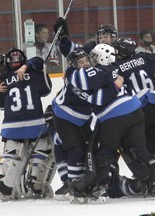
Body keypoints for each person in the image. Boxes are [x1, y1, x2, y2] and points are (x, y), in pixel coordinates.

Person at [71, 44, 155, 203]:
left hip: (115, 116)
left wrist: (80, 88)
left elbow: (98, 98)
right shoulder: (114, 70)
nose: (90, 61)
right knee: (139, 150)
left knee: (106, 152)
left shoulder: (95, 72)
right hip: (135, 110)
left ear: (102, 58)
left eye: (94, 57)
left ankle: (97, 186)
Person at [51, 47, 123, 203]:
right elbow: (99, 97)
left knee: (87, 150)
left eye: (86, 61)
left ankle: (78, 182)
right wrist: (116, 81)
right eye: (80, 62)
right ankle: (73, 186)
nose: (84, 64)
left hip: (82, 118)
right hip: (64, 117)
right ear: (73, 65)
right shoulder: (77, 75)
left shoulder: (86, 72)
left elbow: (100, 79)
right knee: (75, 150)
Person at [0, 48, 54, 201]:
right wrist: (29, 68)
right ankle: (36, 183)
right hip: (35, 124)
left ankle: (2, 183)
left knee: (10, 154)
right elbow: (47, 89)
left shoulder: (3, 79)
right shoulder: (34, 73)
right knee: (43, 150)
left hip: (11, 127)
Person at [112, 37, 155, 166]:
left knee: (142, 142)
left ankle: (152, 171)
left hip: (137, 108)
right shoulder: (145, 57)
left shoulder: (117, 67)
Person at [53, 17, 117, 56]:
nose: (102, 40)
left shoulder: (121, 47)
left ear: (113, 37)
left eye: (105, 37)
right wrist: (64, 38)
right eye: (100, 37)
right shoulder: (92, 48)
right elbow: (73, 52)